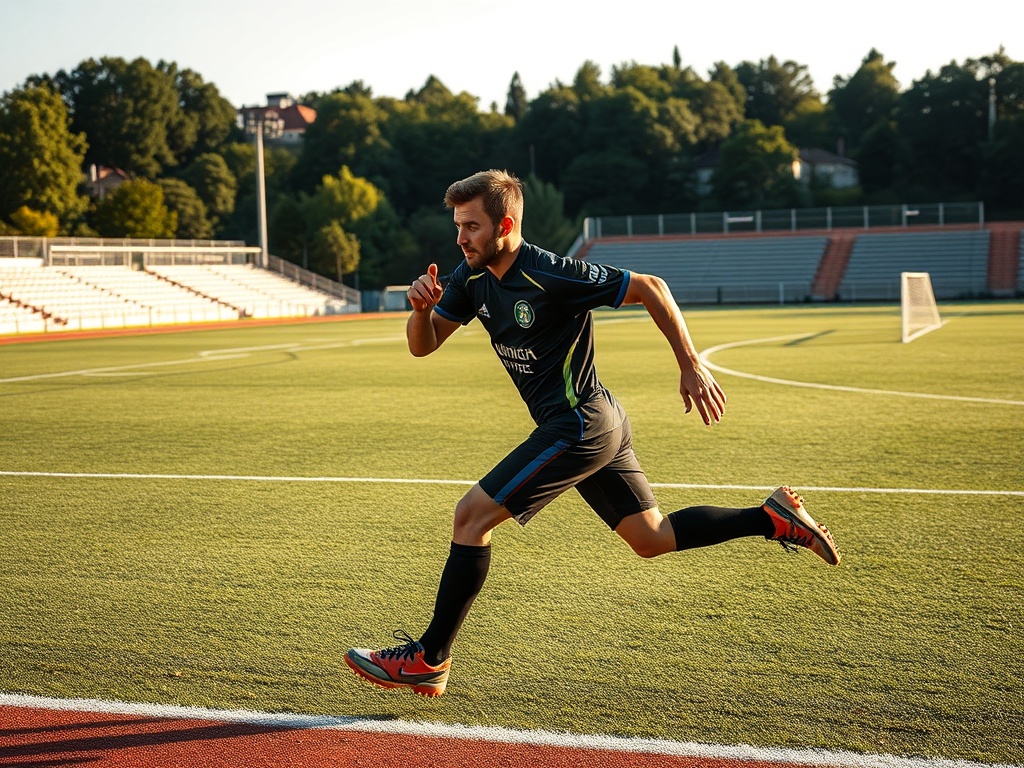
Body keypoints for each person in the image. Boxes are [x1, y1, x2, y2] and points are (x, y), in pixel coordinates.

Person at [345, 169, 840, 697]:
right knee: (650, 539)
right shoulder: (469, 278)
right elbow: (423, 346)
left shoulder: (551, 273)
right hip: (597, 420)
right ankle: (771, 519)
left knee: (470, 516)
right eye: (458, 226)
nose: (460, 238)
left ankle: (430, 658)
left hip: (577, 423)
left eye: (470, 226)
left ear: (505, 225)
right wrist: (419, 311)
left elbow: (652, 287)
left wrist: (690, 363)